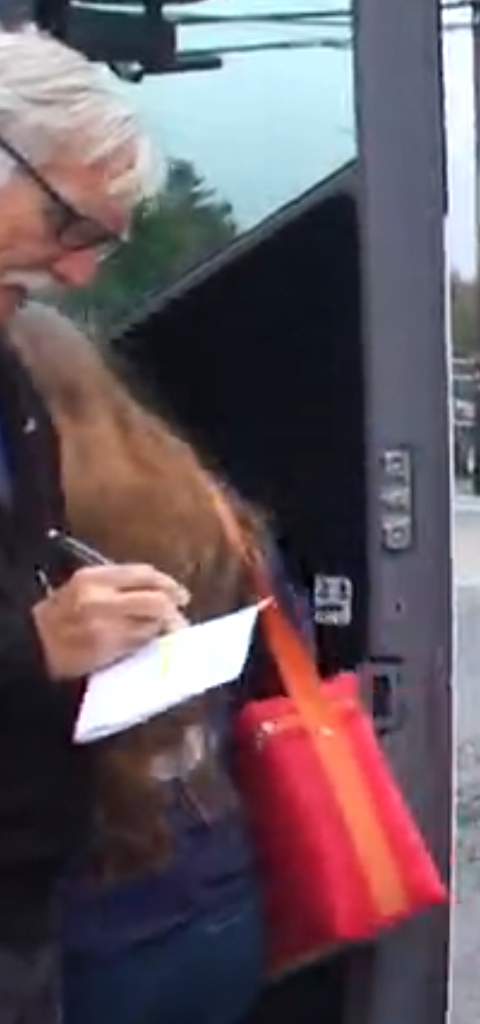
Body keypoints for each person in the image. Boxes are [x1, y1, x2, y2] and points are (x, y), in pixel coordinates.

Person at [5, 305, 283, 1024]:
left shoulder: (33, 544)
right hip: (224, 892)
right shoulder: (206, 501)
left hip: (89, 915)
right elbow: (283, 646)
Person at [0, 30, 190, 1024]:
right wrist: (33, 642)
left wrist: (98, 624)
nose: (77, 276)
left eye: (98, 244)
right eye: (66, 222)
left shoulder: (15, 371)